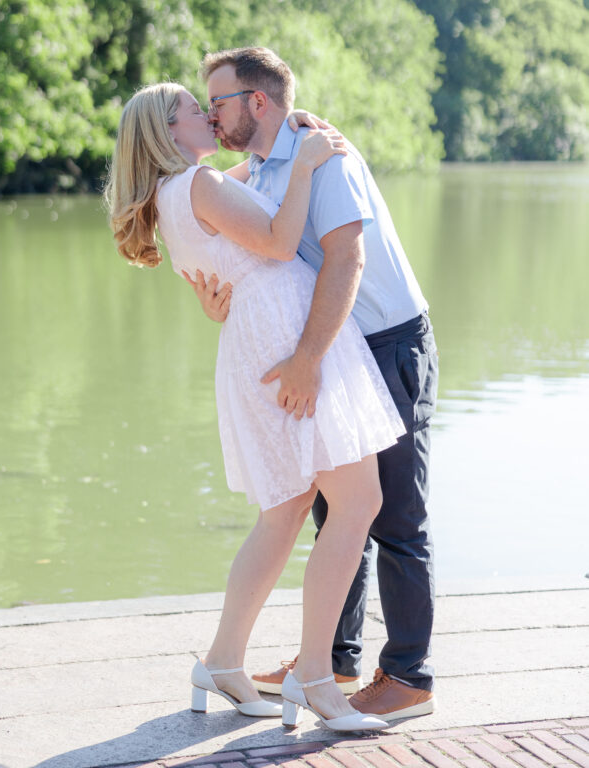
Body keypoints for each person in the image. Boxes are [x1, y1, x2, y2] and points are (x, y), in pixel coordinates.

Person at [105, 82, 405, 732]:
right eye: (193, 109)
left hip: (253, 332)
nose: (207, 114)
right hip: (281, 328)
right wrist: (302, 165)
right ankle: (318, 681)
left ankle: (222, 662)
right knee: (356, 502)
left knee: (286, 510)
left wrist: (286, 147)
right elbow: (274, 239)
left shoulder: (173, 194)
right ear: (169, 129)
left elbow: (241, 195)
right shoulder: (201, 185)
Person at [187, 46, 439, 724]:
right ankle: (330, 659)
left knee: (393, 517)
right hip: (336, 347)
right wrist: (220, 303)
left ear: (257, 102)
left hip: (383, 341)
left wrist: (304, 359)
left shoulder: (315, 152)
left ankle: (409, 675)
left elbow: (346, 258)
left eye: (217, 102)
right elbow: (257, 254)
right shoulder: (264, 168)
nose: (210, 116)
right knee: (336, 508)